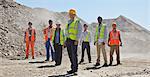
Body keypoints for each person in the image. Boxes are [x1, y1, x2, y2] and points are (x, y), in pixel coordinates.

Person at [65, 9, 82, 74]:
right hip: (68, 40)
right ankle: (72, 67)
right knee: (70, 54)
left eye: (71, 14)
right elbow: (67, 32)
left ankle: (75, 69)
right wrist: (65, 40)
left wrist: (77, 39)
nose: (70, 15)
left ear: (74, 14)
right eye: (69, 14)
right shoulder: (69, 22)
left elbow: (79, 31)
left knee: (74, 54)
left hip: (74, 40)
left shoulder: (77, 22)